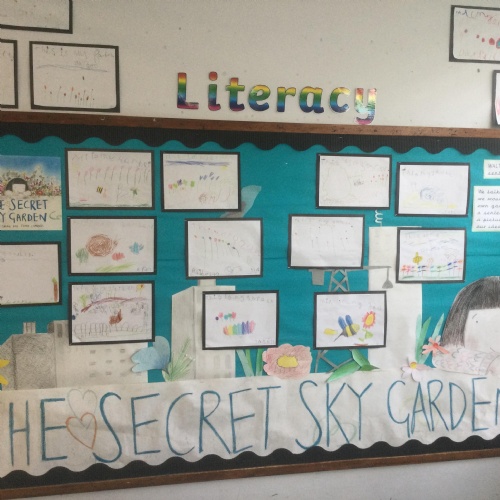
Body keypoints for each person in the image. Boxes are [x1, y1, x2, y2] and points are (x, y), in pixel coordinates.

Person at [432, 276, 500, 375]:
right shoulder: (454, 355)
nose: (496, 332)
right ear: (459, 325)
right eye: (479, 323)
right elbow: (442, 357)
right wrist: (491, 363)